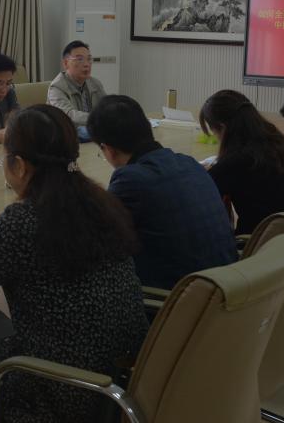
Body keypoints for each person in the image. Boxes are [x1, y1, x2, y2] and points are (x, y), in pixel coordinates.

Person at [0, 105, 147, 423]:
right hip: (118, 384)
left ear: (19, 165)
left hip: (59, 390)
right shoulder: (100, 203)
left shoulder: (24, 220)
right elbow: (46, 246)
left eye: (4, 159)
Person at [86, 95, 237, 290]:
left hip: (176, 300)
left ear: (108, 149)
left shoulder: (130, 180)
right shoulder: (189, 163)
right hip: (226, 288)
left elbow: (100, 245)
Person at [198, 90, 284, 234]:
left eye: (213, 131)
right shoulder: (282, 143)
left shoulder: (237, 161)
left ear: (223, 128)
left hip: (259, 243)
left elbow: (200, 195)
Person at [47, 41, 106, 126]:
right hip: (68, 131)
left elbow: (106, 107)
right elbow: (68, 115)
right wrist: (100, 119)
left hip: (92, 128)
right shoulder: (56, 87)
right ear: (66, 63)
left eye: (89, 59)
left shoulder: (95, 83)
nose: (86, 64)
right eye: (80, 59)